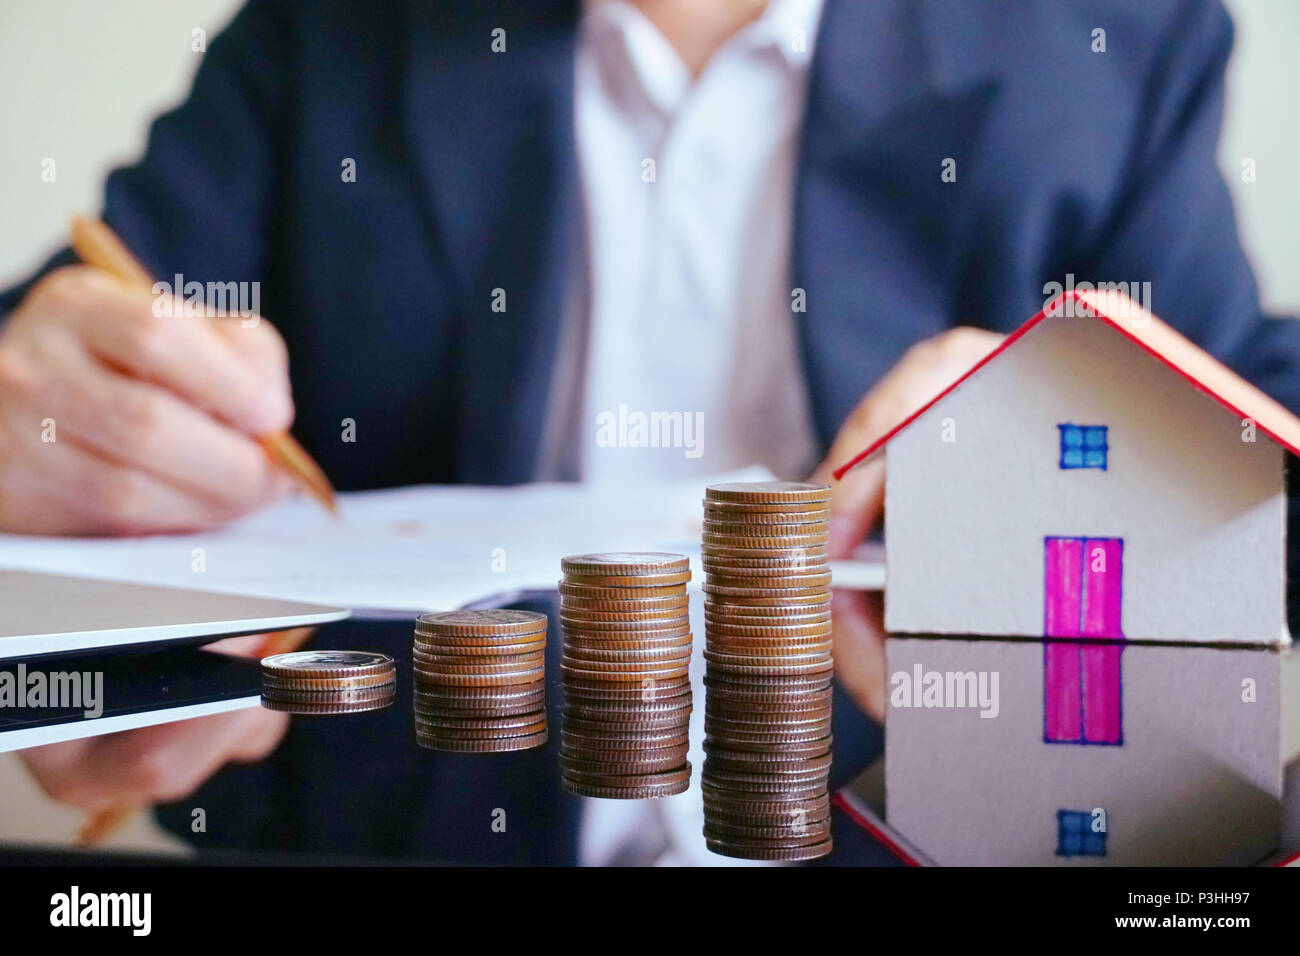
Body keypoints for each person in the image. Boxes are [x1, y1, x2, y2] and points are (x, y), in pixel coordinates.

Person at [4, 0, 1298, 863]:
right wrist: (34, 408)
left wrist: (1136, 431)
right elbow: (78, 326)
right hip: (397, 824)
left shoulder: (1115, 36)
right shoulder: (327, 32)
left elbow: (1248, 414)